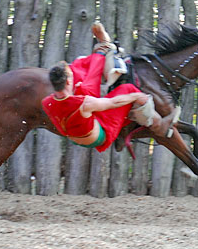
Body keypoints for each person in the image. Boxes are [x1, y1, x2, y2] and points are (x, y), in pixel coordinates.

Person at [42, 24, 178, 153]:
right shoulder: (84, 102)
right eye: (71, 77)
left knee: (83, 86)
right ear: (67, 82)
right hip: (98, 136)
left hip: (75, 135)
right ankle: (159, 126)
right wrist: (136, 96)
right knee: (128, 89)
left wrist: (77, 89)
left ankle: (102, 50)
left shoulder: (46, 102)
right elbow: (114, 102)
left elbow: (66, 106)